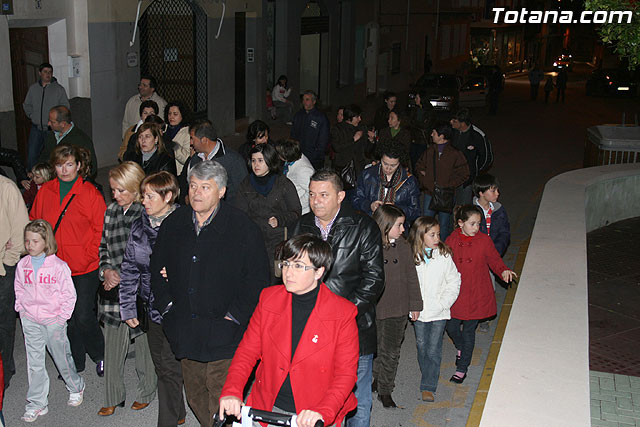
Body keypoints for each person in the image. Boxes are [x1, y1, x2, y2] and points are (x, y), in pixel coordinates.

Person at [150, 160, 270, 426]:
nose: (197, 193)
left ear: (222, 191)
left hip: (224, 328)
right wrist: (168, 307)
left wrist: (234, 316)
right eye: (193, 186)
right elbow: (157, 268)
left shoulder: (242, 228)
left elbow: (258, 279)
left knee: (222, 396)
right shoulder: (174, 223)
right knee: (195, 394)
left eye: (206, 187)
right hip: (186, 327)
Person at [219, 234, 359, 427]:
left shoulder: (342, 313)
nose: (288, 272)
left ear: (319, 272)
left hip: (315, 411)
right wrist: (232, 390)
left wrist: (323, 411)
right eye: (286, 263)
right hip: (268, 404)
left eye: (299, 266)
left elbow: (345, 375)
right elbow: (247, 352)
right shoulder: (268, 299)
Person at [292, 169, 384, 427]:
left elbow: (374, 279)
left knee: (357, 400)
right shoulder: (303, 225)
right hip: (309, 330)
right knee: (315, 399)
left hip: (354, 328)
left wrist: (340, 315)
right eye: (311, 194)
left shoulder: (363, 226)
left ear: (341, 196)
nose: (315, 201)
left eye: (323, 194)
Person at [30, 144, 106, 376]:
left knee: (83, 315)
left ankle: (100, 354)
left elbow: (100, 228)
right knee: (66, 317)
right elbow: (35, 221)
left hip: (84, 265)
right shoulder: (45, 191)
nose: (65, 170)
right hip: (55, 266)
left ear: (79, 166)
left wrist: (90, 253)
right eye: (60, 165)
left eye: (70, 164)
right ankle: (76, 358)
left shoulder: (89, 193)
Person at [119, 171, 187, 427]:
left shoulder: (186, 224)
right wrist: (127, 308)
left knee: (168, 367)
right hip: (151, 307)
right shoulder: (139, 227)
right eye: (143, 195)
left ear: (168, 196)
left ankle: (167, 421)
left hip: (179, 307)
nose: (143, 201)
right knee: (161, 365)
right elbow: (129, 269)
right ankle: (179, 411)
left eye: (150, 196)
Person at [97, 162, 157, 416]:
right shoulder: (110, 211)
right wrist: (106, 271)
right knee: (112, 343)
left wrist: (122, 275)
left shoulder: (144, 215)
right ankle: (112, 396)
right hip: (112, 289)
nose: (116, 195)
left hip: (137, 289)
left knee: (143, 344)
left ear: (135, 190)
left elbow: (146, 255)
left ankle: (146, 391)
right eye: (113, 190)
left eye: (121, 190)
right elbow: (103, 247)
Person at [14, 220, 85, 422]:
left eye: (35, 241)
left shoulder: (58, 266)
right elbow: (19, 288)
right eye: (27, 241)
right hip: (30, 319)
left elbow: (69, 294)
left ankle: (76, 386)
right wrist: (21, 309)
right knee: (34, 362)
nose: (30, 245)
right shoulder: (23, 265)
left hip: (53, 320)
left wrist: (61, 318)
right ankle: (37, 403)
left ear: (46, 242)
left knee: (61, 357)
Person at [444, 205, 516, 384]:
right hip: (456, 293)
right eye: (472, 224)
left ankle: (462, 368)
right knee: (451, 327)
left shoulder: (484, 240)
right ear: (460, 223)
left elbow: (494, 260)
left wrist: (504, 271)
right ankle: (461, 347)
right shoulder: (451, 240)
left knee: (469, 331)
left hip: (477, 293)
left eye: (478, 224)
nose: (477, 228)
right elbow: (442, 263)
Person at [371, 205, 422, 409]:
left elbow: (412, 277)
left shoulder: (404, 246)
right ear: (385, 225)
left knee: (391, 351)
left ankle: (385, 389)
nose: (403, 230)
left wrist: (415, 304)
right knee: (374, 349)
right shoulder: (370, 246)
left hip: (398, 307)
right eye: (399, 225)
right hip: (374, 307)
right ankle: (375, 378)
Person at [408, 216, 460, 402]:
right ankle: (426, 374)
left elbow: (454, 281)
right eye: (432, 235)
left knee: (433, 349)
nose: (437, 238)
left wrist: (443, 303)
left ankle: (428, 385)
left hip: (439, 312)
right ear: (421, 236)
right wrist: (411, 304)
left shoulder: (444, 256)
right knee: (422, 346)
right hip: (419, 312)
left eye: (438, 234)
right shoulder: (412, 257)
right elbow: (408, 283)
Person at [235, 143, 302, 281]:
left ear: (270, 161)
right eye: (253, 161)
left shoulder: (282, 183)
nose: (256, 165)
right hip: (255, 239)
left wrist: (279, 219)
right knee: (255, 278)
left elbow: (296, 211)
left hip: (277, 240)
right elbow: (240, 214)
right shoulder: (246, 184)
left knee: (274, 279)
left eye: (260, 160)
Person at [415, 122, 470, 241]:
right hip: (430, 193)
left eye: (434, 133)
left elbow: (464, 173)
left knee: (444, 226)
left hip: (446, 194)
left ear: (442, 136)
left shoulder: (455, 154)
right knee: (426, 224)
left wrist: (450, 184)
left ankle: (443, 249)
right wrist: (425, 179)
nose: (431, 135)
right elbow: (419, 166)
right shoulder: (430, 151)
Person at [0, 175, 30, 390]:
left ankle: (5, 369)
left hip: (3, 267)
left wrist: (7, 261)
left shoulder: (7, 189)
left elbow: (21, 235)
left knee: (4, 321)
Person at [473, 174, 511, 333]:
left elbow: (504, 232)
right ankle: (473, 315)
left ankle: (484, 318)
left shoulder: (499, 210)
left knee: (489, 287)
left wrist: (496, 250)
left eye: (496, 190)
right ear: (481, 193)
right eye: (493, 190)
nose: (497, 194)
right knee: (473, 287)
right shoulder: (471, 210)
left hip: (491, 255)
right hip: (474, 256)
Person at [178, 119, 247, 206]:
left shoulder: (233, 160)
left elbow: (244, 193)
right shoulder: (195, 159)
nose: (191, 143)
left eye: (192, 138)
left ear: (204, 140)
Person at [352, 141, 421, 224]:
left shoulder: (409, 181)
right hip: (370, 224)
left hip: (396, 227)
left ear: (399, 163)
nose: (388, 168)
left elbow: (415, 212)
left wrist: (396, 209)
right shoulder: (367, 175)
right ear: (380, 159)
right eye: (385, 163)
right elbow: (355, 200)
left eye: (393, 165)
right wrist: (370, 205)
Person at [22, 63, 70, 170]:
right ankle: (32, 179)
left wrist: (58, 121)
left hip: (52, 129)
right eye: (45, 72)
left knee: (52, 155)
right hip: (37, 127)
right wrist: (32, 115)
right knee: (32, 155)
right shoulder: (33, 88)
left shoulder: (58, 89)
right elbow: (27, 104)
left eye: (50, 72)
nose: (48, 74)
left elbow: (65, 107)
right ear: (40, 73)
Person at [38, 106, 98, 179]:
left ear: (63, 124)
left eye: (52, 122)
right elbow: (44, 156)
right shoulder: (51, 136)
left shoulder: (81, 140)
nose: (48, 124)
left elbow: (91, 167)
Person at [450, 108, 489, 206]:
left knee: (464, 207)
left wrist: (473, 171)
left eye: (454, 121)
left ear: (462, 123)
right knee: (450, 206)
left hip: (467, 181)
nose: (451, 122)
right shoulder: (452, 132)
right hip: (451, 177)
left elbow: (487, 158)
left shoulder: (477, 136)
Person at [273, 139, 315, 215]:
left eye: (279, 154)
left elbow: (311, 193)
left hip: (300, 210)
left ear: (285, 156)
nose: (278, 156)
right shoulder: (294, 157)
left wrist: (296, 204)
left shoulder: (304, 171)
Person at [290, 90, 330, 170]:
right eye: (303, 100)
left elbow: (324, 139)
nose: (304, 102)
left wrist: (317, 154)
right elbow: (293, 134)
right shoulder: (298, 115)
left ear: (314, 101)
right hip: (300, 155)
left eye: (307, 99)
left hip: (314, 158)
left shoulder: (320, 117)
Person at [330, 104, 368, 176]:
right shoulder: (337, 129)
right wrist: (353, 139)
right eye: (357, 117)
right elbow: (337, 147)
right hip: (343, 168)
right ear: (350, 117)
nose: (360, 119)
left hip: (359, 168)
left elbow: (367, 150)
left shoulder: (361, 128)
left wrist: (371, 140)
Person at [407, 89, 434, 172]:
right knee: (413, 160)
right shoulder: (415, 109)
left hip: (423, 140)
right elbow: (410, 122)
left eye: (417, 98)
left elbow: (426, 126)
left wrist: (416, 124)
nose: (415, 99)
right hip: (414, 139)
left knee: (420, 161)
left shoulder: (429, 111)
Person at [164, 101, 191, 175]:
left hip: (178, 173)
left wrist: (174, 147)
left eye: (175, 114)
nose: (171, 117)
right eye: (169, 114)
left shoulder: (187, 133)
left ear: (182, 115)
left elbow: (187, 159)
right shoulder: (164, 129)